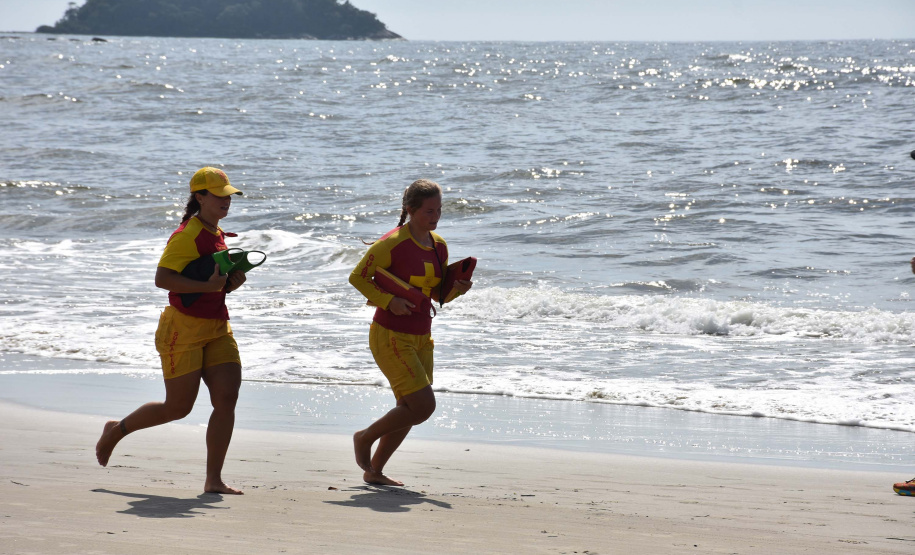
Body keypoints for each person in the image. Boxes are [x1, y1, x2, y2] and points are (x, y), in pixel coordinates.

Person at [95, 167, 248, 495]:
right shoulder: (187, 235)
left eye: (228, 196)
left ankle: (214, 480)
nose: (226, 201)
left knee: (227, 397)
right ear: (200, 197)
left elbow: (209, 286)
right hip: (183, 328)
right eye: (219, 196)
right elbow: (163, 279)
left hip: (218, 326)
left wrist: (230, 285)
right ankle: (116, 430)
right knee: (178, 408)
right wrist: (207, 288)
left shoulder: (217, 232)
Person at [349, 179, 473, 486]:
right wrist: (390, 300)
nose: (435, 216)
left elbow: (436, 296)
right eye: (429, 210)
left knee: (408, 409)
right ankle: (364, 438)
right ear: (410, 210)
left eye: (439, 210)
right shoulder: (391, 244)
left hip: (422, 335)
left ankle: (374, 471)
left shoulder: (439, 245)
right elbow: (358, 278)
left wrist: (458, 289)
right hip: (390, 334)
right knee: (423, 407)